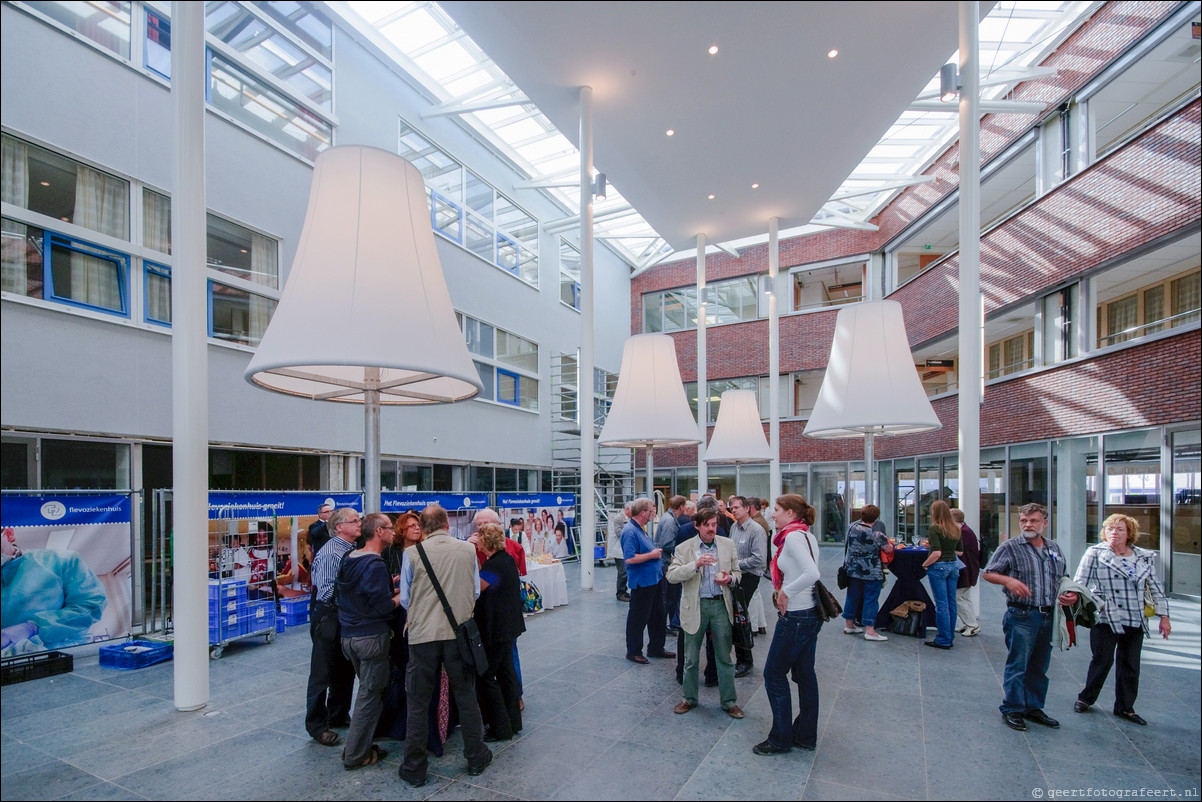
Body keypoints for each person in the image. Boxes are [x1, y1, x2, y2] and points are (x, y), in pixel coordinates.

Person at [398, 504, 491, 787]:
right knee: (466, 696)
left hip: (423, 636)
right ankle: (476, 756)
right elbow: (475, 590)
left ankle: (414, 767)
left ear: (423, 528)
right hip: (458, 635)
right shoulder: (466, 550)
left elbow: (404, 598)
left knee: (417, 702)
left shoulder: (412, 553)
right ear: (447, 524)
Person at [982, 502, 1078, 732]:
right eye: (1024, 521)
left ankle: (1033, 707)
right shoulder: (1010, 547)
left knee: (1039, 666)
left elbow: (1063, 576)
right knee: (1018, 664)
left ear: (1044, 523)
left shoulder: (1053, 547)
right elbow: (988, 573)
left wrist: (1070, 593)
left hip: (1048, 615)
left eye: (1033, 520)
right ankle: (1013, 708)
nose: (1028, 525)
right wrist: (1008, 580)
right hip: (1021, 615)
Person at [1072, 513, 1171, 726]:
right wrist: (1093, 603)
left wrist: (1165, 617)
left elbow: (1155, 587)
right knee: (1102, 660)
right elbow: (1080, 583)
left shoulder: (1143, 556)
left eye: (1119, 529)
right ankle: (1086, 698)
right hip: (1106, 617)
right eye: (1109, 529)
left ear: (1129, 533)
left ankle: (1125, 707)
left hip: (1135, 617)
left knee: (1130, 664)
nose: (1113, 533)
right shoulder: (1095, 553)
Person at [754, 494, 822, 756]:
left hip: (796, 616)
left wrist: (785, 592)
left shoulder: (793, 537)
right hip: (809, 614)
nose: (773, 513)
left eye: (778, 510)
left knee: (773, 674)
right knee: (805, 675)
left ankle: (781, 739)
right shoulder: (805, 534)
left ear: (792, 513)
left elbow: (812, 573)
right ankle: (805, 734)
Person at [666, 507, 744, 719]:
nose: (712, 529)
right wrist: (695, 564)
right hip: (695, 606)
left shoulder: (727, 544)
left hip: (720, 605)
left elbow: (738, 572)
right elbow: (671, 576)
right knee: (691, 658)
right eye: (707, 525)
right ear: (697, 526)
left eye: (714, 524)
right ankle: (689, 699)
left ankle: (729, 702)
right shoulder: (685, 548)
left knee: (725, 657)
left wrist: (729, 579)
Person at [336, 513, 400, 770]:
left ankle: (358, 745)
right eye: (390, 528)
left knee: (366, 691)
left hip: (349, 635)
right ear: (379, 532)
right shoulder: (375, 564)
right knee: (369, 695)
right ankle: (355, 754)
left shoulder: (349, 558)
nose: (394, 532)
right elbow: (384, 607)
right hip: (371, 637)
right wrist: (402, 594)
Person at [1, 526, 107, 653]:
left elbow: (91, 605)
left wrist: (33, 628)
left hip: (60, 658)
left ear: (9, 534)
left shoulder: (61, 560)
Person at [305, 507, 360, 747]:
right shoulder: (331, 553)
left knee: (344, 668)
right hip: (329, 616)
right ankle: (316, 725)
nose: (360, 523)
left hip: (345, 615)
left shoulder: (351, 549)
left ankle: (338, 714)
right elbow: (326, 591)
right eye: (354, 520)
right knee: (322, 672)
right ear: (339, 527)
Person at [473, 522, 526, 741]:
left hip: (498, 629)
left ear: (485, 541)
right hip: (509, 626)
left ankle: (499, 727)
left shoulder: (493, 566)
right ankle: (512, 722)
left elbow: (479, 589)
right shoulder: (506, 560)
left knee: (486, 676)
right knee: (506, 674)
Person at [622, 497, 675, 664]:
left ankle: (656, 647)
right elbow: (629, 559)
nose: (654, 513)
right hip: (642, 582)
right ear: (643, 512)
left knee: (658, 615)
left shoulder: (641, 528)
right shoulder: (630, 531)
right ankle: (633, 651)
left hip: (654, 579)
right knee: (638, 618)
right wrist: (652, 555)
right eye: (652, 509)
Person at [840, 504, 892, 642]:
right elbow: (888, 549)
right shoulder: (877, 534)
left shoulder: (852, 528)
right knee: (871, 599)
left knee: (852, 596)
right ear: (876, 518)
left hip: (853, 569)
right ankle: (870, 630)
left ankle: (849, 624)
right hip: (871, 570)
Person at [728, 495, 768, 674]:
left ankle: (745, 660)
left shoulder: (756, 530)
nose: (733, 510)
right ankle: (742, 657)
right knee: (736, 616)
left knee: (740, 616)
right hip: (735, 575)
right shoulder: (733, 528)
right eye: (731, 508)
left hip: (749, 577)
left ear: (747, 508)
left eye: (736, 507)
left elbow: (759, 559)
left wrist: (736, 565)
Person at [921, 500, 962, 650]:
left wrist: (925, 563)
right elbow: (959, 552)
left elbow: (937, 553)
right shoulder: (956, 528)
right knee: (951, 603)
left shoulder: (935, 528)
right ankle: (949, 636)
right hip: (953, 566)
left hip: (939, 567)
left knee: (941, 604)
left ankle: (943, 639)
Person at [657, 495, 685, 634]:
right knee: (669, 596)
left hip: (665, 561)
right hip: (666, 562)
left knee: (669, 596)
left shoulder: (669, 518)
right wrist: (683, 548)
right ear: (681, 507)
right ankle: (663, 625)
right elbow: (666, 543)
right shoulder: (669, 521)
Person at [952, 508, 982, 637]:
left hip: (966, 569)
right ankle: (968, 623)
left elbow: (958, 550)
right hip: (969, 568)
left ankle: (972, 625)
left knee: (957, 597)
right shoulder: (965, 530)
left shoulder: (962, 532)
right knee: (964, 597)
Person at [609, 502, 631, 602]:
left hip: (624, 549)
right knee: (623, 572)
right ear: (627, 509)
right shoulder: (619, 518)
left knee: (624, 572)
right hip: (618, 550)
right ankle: (620, 593)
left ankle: (623, 591)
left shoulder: (628, 518)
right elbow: (619, 533)